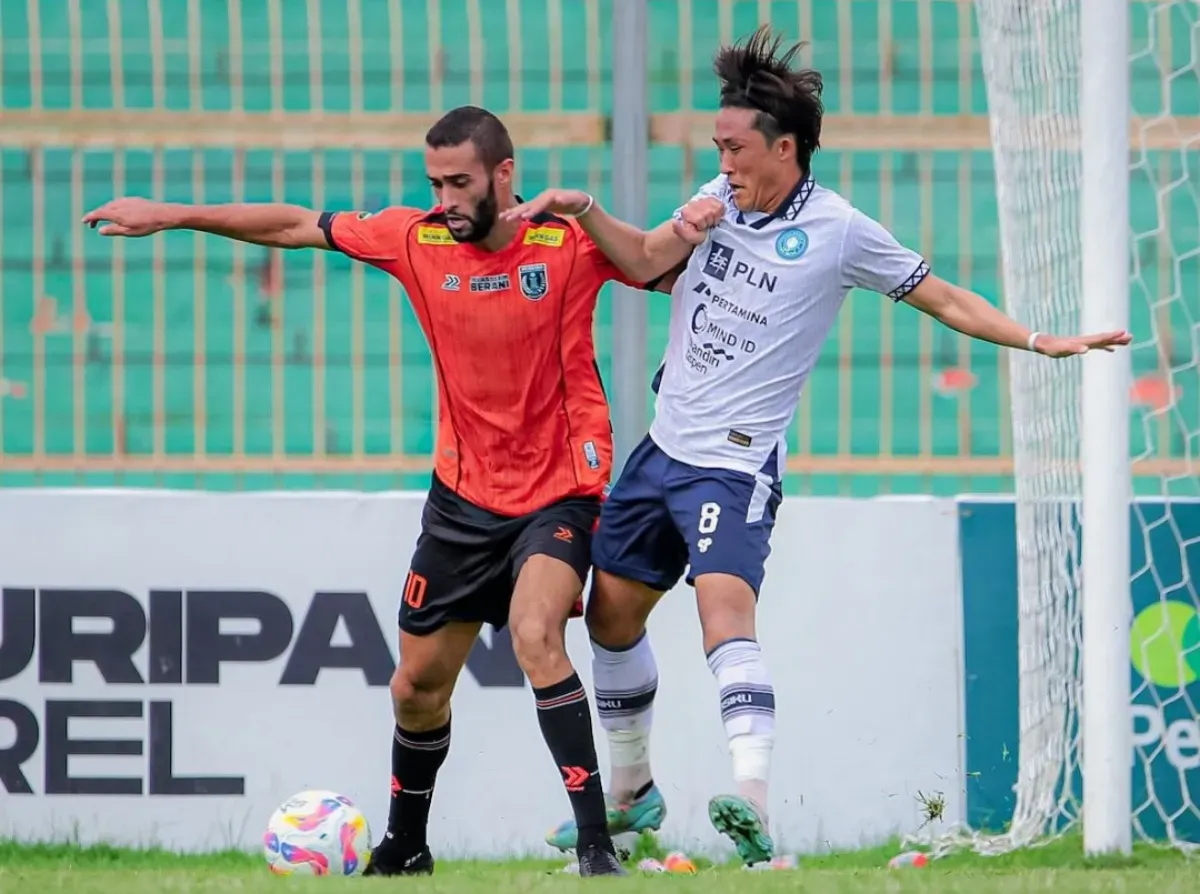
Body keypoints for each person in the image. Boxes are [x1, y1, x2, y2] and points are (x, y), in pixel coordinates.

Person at [502, 25, 1132, 867]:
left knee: (722, 608)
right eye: (716, 147)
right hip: (662, 450)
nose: (722, 161)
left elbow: (940, 297)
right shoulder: (714, 202)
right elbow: (646, 265)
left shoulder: (839, 231)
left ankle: (752, 797)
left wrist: (1037, 338)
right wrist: (590, 213)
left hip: (735, 460)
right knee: (611, 620)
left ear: (785, 147)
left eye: (734, 147)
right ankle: (632, 794)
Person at [82, 105, 661, 878]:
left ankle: (597, 844)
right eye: (435, 182)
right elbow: (295, 224)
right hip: (461, 500)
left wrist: (618, 209)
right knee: (415, 687)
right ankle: (407, 845)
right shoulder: (414, 239)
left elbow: (660, 262)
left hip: (560, 490)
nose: (446, 198)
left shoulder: (566, 244)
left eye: (461, 182)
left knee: (535, 634)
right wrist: (172, 215)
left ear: (504, 174)